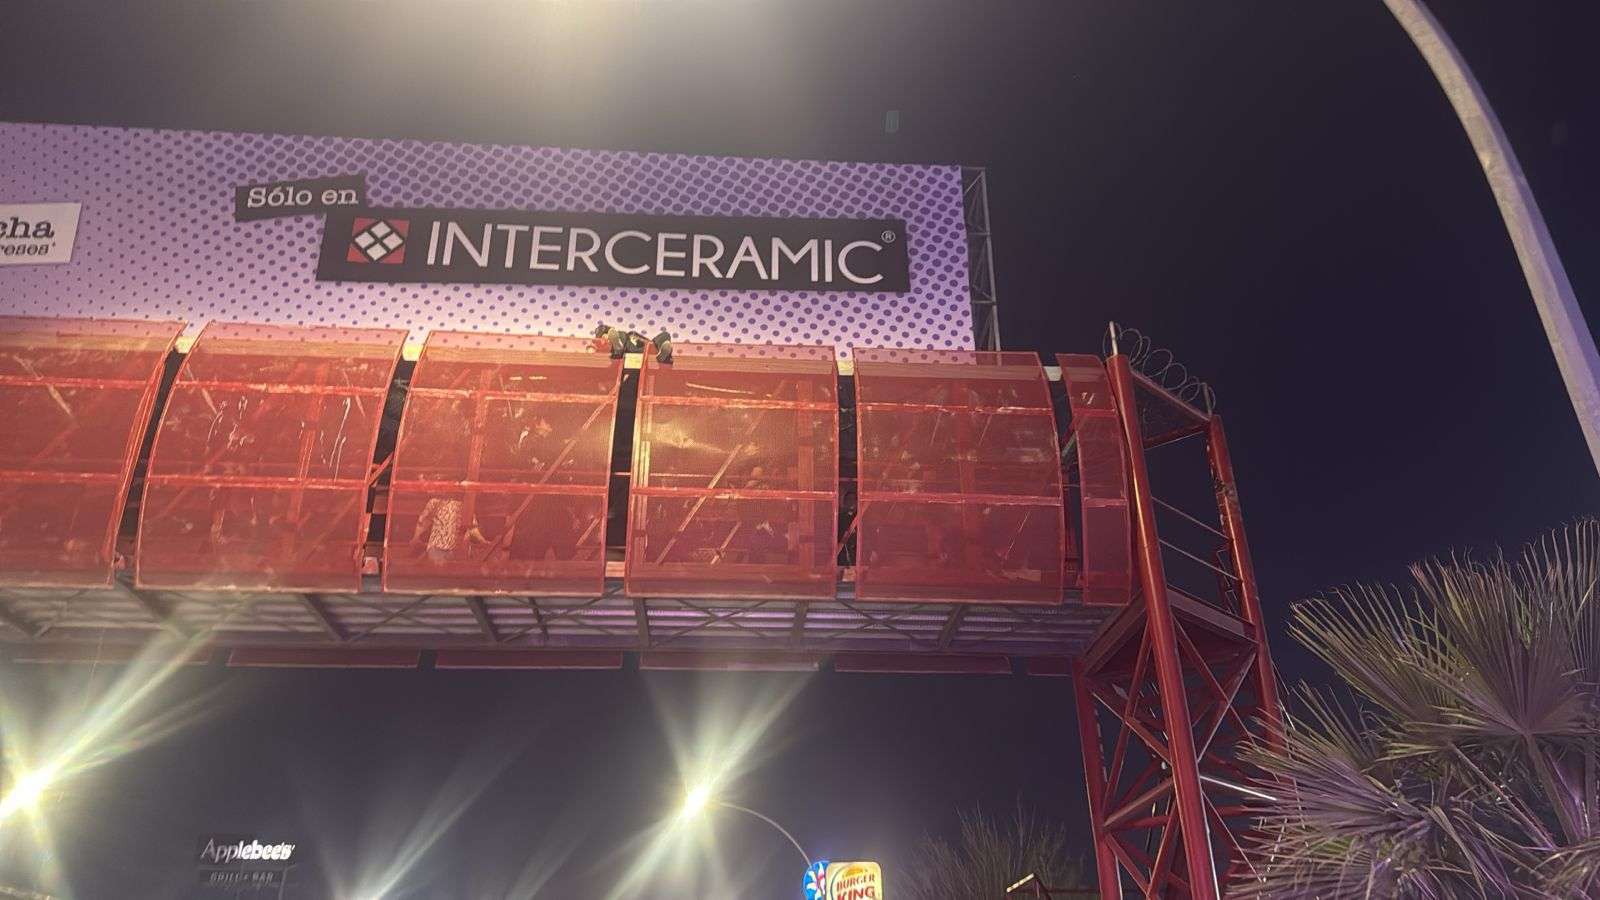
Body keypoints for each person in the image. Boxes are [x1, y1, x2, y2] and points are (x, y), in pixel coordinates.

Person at [411, 497, 488, 565]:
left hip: (460, 550)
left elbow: (472, 527)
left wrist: (482, 541)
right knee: (440, 574)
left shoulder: (466, 504)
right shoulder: (435, 502)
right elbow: (423, 522)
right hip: (437, 550)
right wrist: (416, 537)